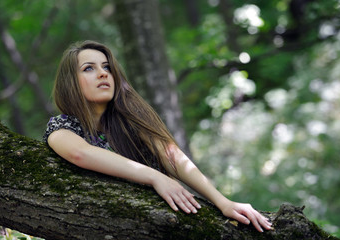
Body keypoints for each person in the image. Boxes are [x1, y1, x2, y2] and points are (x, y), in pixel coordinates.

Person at [43, 40, 272, 232]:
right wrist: (155, 177)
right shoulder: (62, 126)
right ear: (70, 82)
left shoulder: (131, 118)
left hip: (166, 224)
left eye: (107, 66)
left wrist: (223, 202)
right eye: (89, 68)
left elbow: (171, 156)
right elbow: (80, 153)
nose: (103, 73)